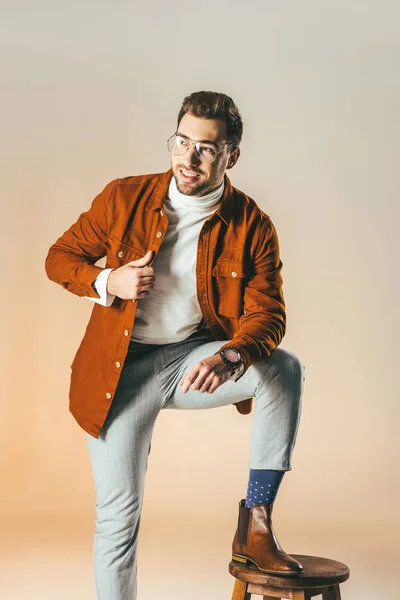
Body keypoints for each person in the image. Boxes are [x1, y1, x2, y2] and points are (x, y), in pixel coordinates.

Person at [45, 90, 305, 600]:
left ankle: (256, 524)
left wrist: (231, 355)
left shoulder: (252, 225)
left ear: (230, 155)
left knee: (284, 370)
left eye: (206, 149)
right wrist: (107, 281)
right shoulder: (124, 198)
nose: (189, 158)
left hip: (191, 360)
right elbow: (60, 257)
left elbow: (268, 314)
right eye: (181, 142)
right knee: (118, 518)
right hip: (120, 371)